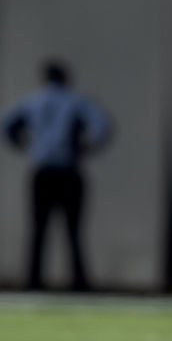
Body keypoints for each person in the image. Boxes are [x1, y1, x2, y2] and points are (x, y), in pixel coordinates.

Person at [2, 60, 110, 291]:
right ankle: (78, 283)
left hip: (42, 172)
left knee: (38, 229)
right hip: (68, 172)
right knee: (73, 230)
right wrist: (85, 147)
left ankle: (33, 282)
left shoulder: (33, 101)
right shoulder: (75, 101)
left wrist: (25, 145)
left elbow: (7, 125)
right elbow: (101, 126)